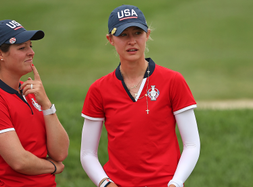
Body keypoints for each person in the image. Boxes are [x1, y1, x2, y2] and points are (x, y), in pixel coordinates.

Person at [80, 5, 200, 187]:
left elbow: (191, 144)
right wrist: (105, 184)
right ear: (110, 39)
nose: (132, 41)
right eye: (123, 35)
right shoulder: (99, 89)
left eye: (137, 33)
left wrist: (176, 182)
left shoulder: (173, 81)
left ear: (147, 35)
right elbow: (87, 153)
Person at [0, 19, 69, 187]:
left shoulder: (30, 93)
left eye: (31, 46)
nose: (31, 52)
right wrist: (53, 167)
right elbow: (20, 161)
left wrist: (46, 104)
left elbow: (60, 153)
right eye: (22, 48)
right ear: (0, 54)